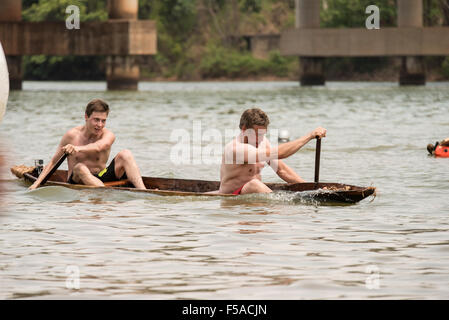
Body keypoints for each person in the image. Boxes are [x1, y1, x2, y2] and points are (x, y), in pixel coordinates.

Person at [29, 99, 146, 190]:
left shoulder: (108, 135)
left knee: (126, 154)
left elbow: (100, 146)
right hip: (77, 179)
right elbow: (53, 162)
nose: (100, 125)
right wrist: (36, 184)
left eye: (103, 121)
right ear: (86, 117)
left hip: (101, 177)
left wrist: (77, 149)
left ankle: (144, 191)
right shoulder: (71, 136)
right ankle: (107, 194)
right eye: (96, 120)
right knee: (80, 167)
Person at [218, 108, 326, 195]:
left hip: (254, 196)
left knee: (256, 185)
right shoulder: (236, 149)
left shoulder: (263, 141)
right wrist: (309, 136)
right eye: (257, 134)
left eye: (263, 134)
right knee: (254, 184)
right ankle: (279, 206)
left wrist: (310, 189)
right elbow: (280, 153)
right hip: (232, 197)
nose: (260, 139)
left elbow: (281, 170)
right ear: (244, 129)